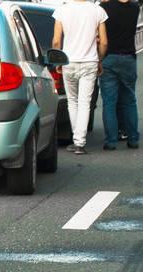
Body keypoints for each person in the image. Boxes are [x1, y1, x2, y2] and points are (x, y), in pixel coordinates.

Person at [52, 0, 108, 155]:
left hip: (68, 62)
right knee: (85, 103)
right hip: (90, 62)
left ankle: (77, 140)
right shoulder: (97, 11)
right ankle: (79, 143)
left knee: (72, 101)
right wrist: (99, 60)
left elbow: (56, 41)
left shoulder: (62, 10)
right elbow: (103, 42)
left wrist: (58, 60)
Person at [100, 0, 140, 150]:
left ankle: (111, 141)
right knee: (129, 100)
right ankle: (133, 139)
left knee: (109, 102)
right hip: (129, 58)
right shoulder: (135, 7)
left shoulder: (104, 8)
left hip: (109, 58)